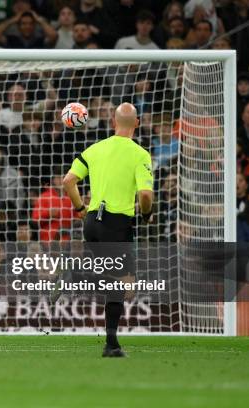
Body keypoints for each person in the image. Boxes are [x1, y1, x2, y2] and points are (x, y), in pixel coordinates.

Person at [62, 103, 154, 357]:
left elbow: (69, 181)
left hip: (92, 222)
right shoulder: (140, 154)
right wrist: (147, 214)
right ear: (137, 123)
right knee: (122, 286)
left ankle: (111, 344)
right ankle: (75, 277)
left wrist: (80, 207)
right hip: (116, 225)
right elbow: (145, 194)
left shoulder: (95, 149)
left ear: (114, 122)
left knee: (123, 286)